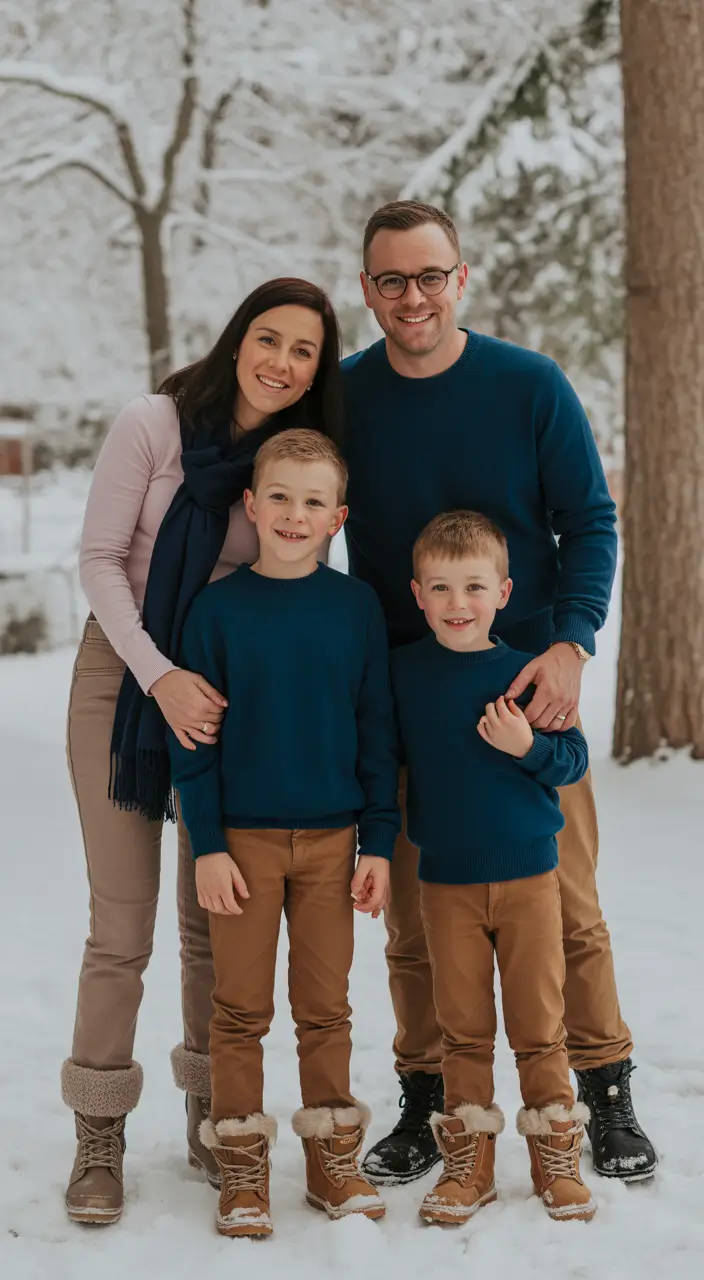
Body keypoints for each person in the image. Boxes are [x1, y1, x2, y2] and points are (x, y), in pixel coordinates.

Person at [341, 200, 657, 1186]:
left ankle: (602, 1090)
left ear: (460, 278)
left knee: (562, 904)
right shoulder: (344, 397)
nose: (412, 296)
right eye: (391, 279)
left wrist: (568, 644)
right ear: (367, 289)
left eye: (429, 275)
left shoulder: (528, 384)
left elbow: (589, 521)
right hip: (402, 690)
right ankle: (427, 1096)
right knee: (411, 922)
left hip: (524, 686)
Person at [62, 278, 345, 1226]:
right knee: (123, 928)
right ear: (237, 340)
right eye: (270, 339)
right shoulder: (154, 426)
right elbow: (101, 561)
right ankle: (98, 1132)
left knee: (206, 920)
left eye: (304, 351)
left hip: (230, 685)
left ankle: (211, 1114)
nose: (282, 362)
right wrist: (158, 676)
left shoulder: (286, 463)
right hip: (126, 677)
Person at [169, 429, 399, 1238]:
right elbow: (193, 739)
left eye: (312, 502)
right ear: (251, 504)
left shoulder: (356, 608)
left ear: (337, 516)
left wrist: (379, 841)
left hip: (337, 844)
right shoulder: (217, 610)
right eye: (280, 498)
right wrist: (207, 843)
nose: (294, 515)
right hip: (244, 843)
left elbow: (377, 731)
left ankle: (332, 1158)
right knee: (236, 1010)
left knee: (325, 1006)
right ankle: (241, 1165)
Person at [392, 511, 595, 1224]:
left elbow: (573, 759)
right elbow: (381, 762)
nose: (457, 603)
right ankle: (469, 1163)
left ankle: (554, 1152)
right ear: (417, 594)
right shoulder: (405, 674)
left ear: (503, 593)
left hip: (530, 881)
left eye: (474, 586)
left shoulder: (526, 671)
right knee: (464, 1029)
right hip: (445, 884)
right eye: (441, 588)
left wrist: (525, 748)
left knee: (540, 1025)